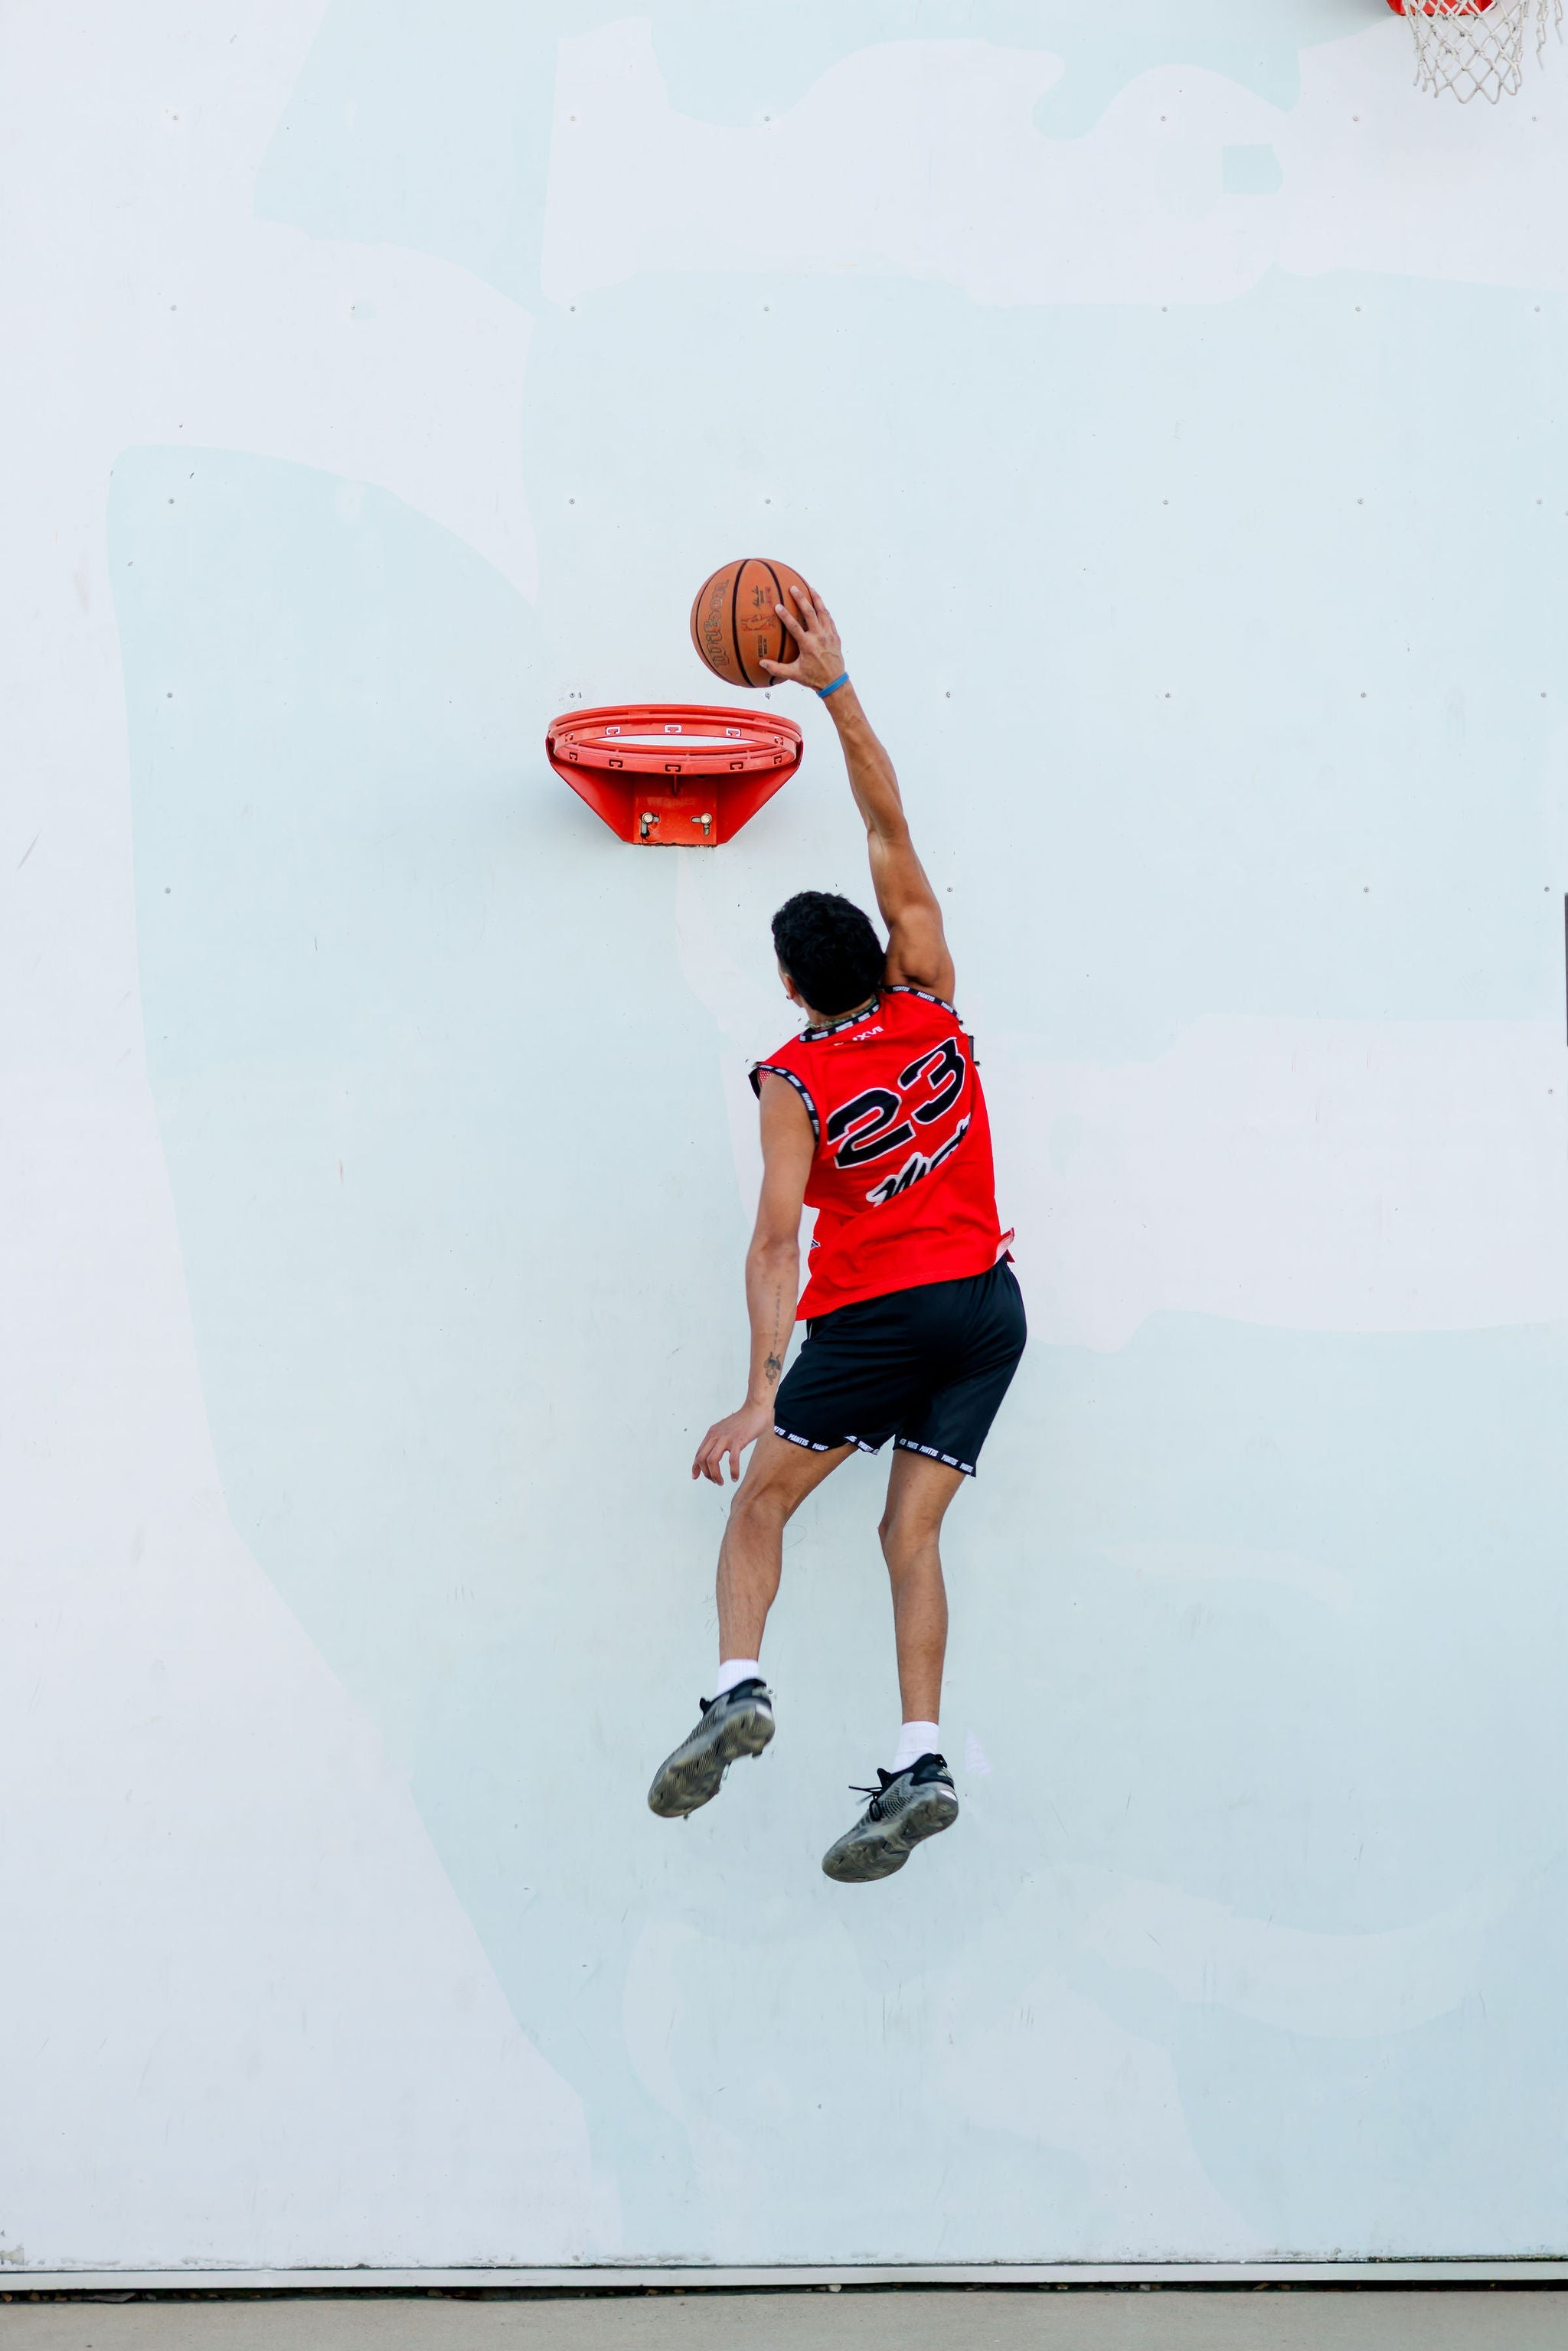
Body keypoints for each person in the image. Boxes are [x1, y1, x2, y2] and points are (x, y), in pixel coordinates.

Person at [648, 585, 1026, 1881]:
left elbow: (772, 1247)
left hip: (883, 1315)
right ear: (879, 948)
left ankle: (738, 1689)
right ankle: (921, 1760)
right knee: (908, 1535)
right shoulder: (932, 994)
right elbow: (887, 820)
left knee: (764, 1507)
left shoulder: (792, 1082)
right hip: (988, 1308)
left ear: (794, 984)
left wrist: (759, 1394)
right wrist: (836, 685)